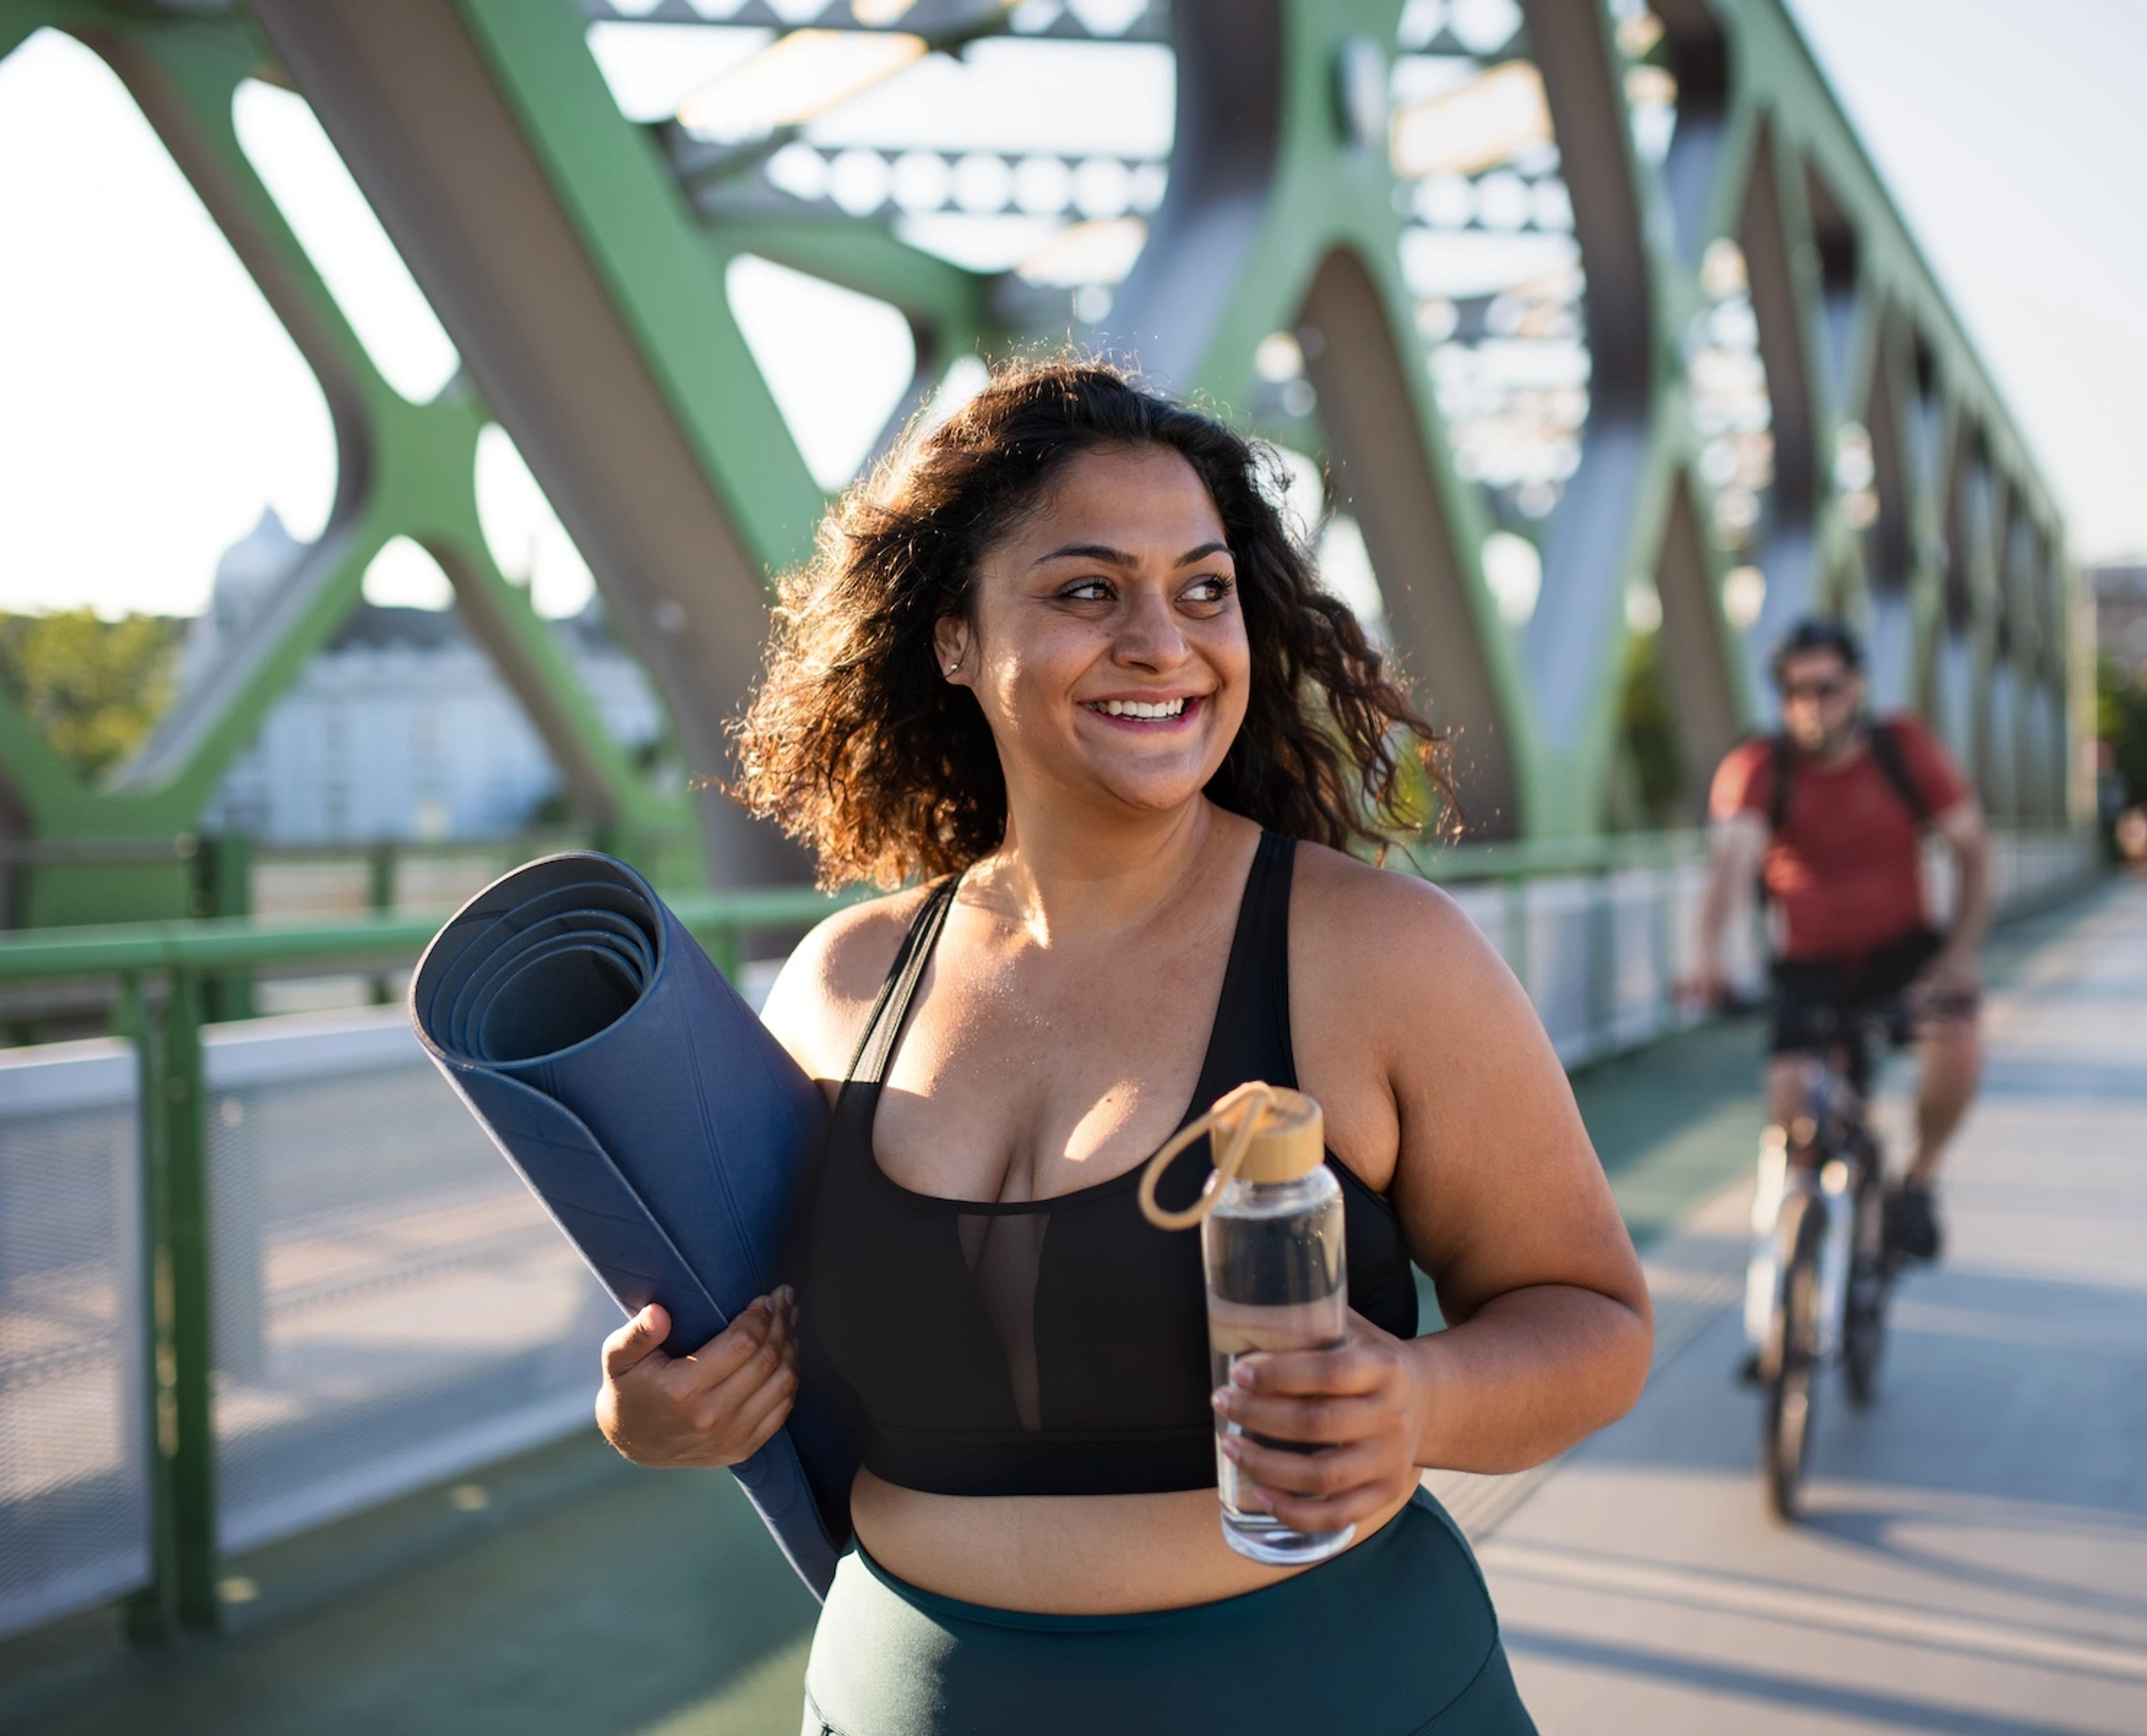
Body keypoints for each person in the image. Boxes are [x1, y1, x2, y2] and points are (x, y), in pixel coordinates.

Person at [593, 359, 1651, 1734]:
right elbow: (737, 1341)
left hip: (1334, 1695)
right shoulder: (844, 982)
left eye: (1202, 589)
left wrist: (1421, 1395)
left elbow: (1598, 1325)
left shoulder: (1384, 957)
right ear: (954, 638)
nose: (1164, 640)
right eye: (1088, 590)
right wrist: (658, 1414)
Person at [1682, 617, 1991, 1265]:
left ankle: (1918, 1182)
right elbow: (1730, 868)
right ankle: (1788, 1303)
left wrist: (1957, 959)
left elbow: (1972, 851)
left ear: (1857, 687)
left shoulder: (1902, 748)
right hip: (1810, 966)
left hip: (1905, 952)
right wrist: (1706, 960)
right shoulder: (1759, 766)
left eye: (1826, 689)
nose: (1812, 709)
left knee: (1958, 1047)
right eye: (1795, 694)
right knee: (1794, 1117)